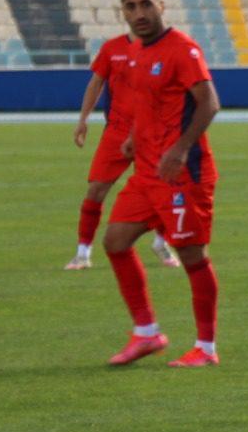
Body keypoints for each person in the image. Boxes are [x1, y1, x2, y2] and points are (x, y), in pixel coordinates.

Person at [102, 0, 223, 368]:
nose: (138, 13)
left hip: (182, 174)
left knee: (193, 257)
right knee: (115, 241)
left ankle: (205, 347)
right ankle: (147, 333)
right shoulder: (137, 52)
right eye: (130, 6)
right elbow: (147, 103)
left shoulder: (183, 49)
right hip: (148, 172)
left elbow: (209, 104)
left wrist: (181, 147)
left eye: (145, 4)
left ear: (161, 5)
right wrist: (135, 138)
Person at [67, 22, 178, 271]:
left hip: (151, 134)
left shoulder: (164, 50)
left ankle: (161, 242)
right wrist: (83, 120)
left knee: (163, 190)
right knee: (95, 191)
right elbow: (95, 83)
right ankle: (82, 252)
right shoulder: (112, 49)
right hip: (117, 132)